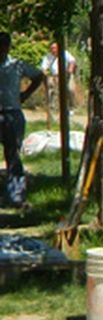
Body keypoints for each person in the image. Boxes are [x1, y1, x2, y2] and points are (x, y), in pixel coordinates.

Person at [0, 33, 43, 209]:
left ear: (7, 47)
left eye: (3, 46)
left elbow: (38, 76)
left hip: (12, 113)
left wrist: (25, 94)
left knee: (12, 154)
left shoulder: (16, 65)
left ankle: (15, 194)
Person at [40, 42, 78, 127]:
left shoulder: (65, 53)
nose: (53, 50)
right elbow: (43, 68)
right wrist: (46, 73)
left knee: (70, 89)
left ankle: (71, 107)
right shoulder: (48, 57)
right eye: (51, 48)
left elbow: (72, 61)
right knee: (52, 91)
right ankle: (53, 111)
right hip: (55, 76)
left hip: (66, 75)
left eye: (55, 48)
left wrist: (69, 70)